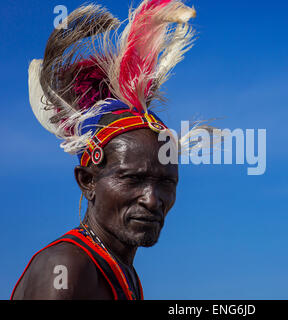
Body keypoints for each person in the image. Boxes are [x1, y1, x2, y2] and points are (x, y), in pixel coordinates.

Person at [11, 0, 197, 300]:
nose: (152, 200)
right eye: (132, 179)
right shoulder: (68, 269)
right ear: (88, 181)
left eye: (166, 183)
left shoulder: (121, 273)